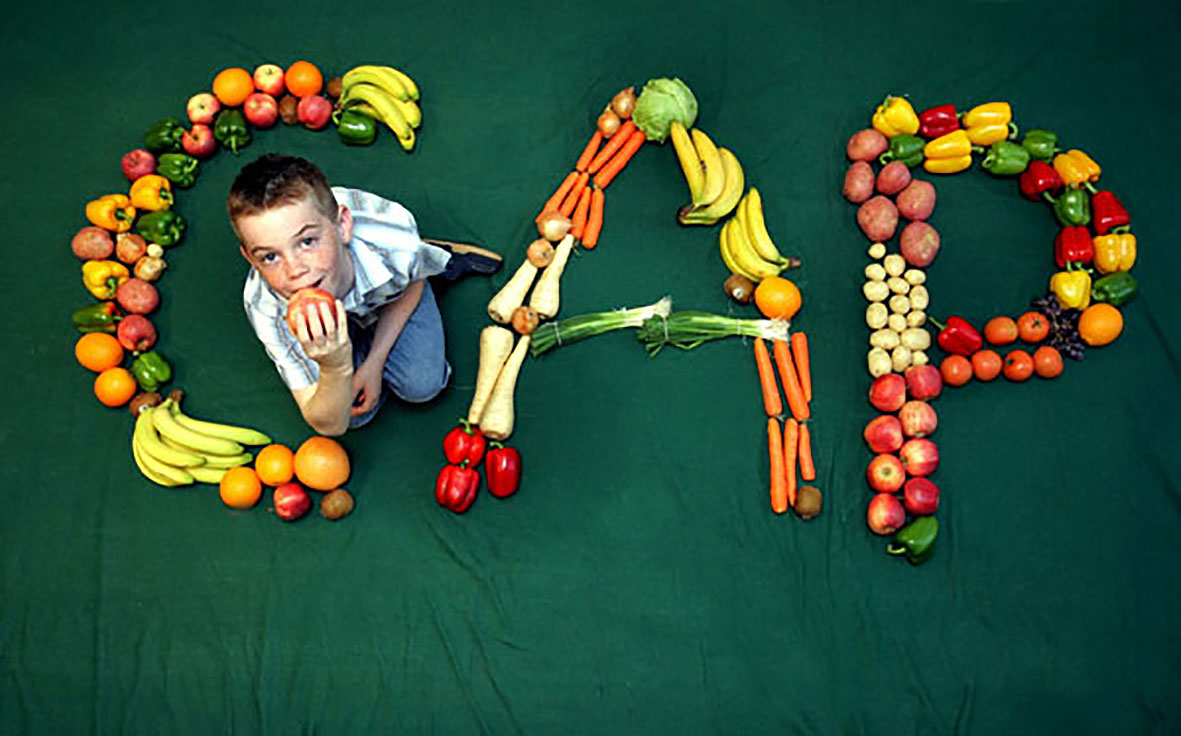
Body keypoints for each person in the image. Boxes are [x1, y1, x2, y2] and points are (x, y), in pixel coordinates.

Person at [227, 154, 501, 435]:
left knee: (421, 386)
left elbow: (410, 285)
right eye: (270, 257)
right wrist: (336, 367)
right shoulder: (265, 306)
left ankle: (434, 258)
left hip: (388, 284)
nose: (295, 271)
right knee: (348, 414)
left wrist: (374, 363)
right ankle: (358, 330)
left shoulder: (393, 243)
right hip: (346, 301)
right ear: (251, 259)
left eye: (307, 242)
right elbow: (326, 424)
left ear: (343, 226)